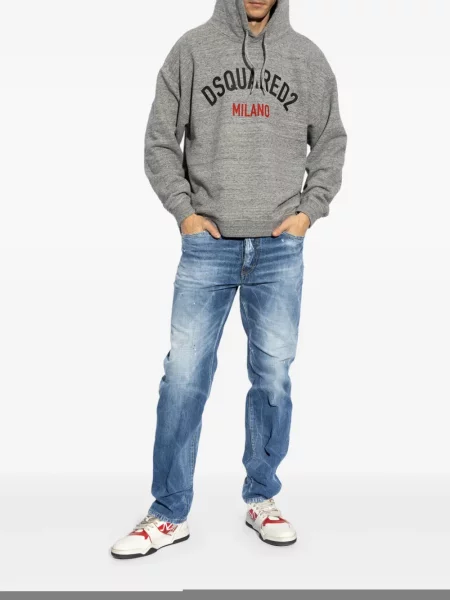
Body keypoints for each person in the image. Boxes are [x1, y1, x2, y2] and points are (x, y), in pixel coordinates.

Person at [111, 0, 347, 559]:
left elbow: (331, 141)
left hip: (279, 246)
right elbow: (159, 140)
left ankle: (262, 497)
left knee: (273, 378)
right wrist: (185, 213)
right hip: (208, 244)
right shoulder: (192, 50)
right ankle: (169, 512)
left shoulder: (307, 59)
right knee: (183, 377)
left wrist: (308, 212)